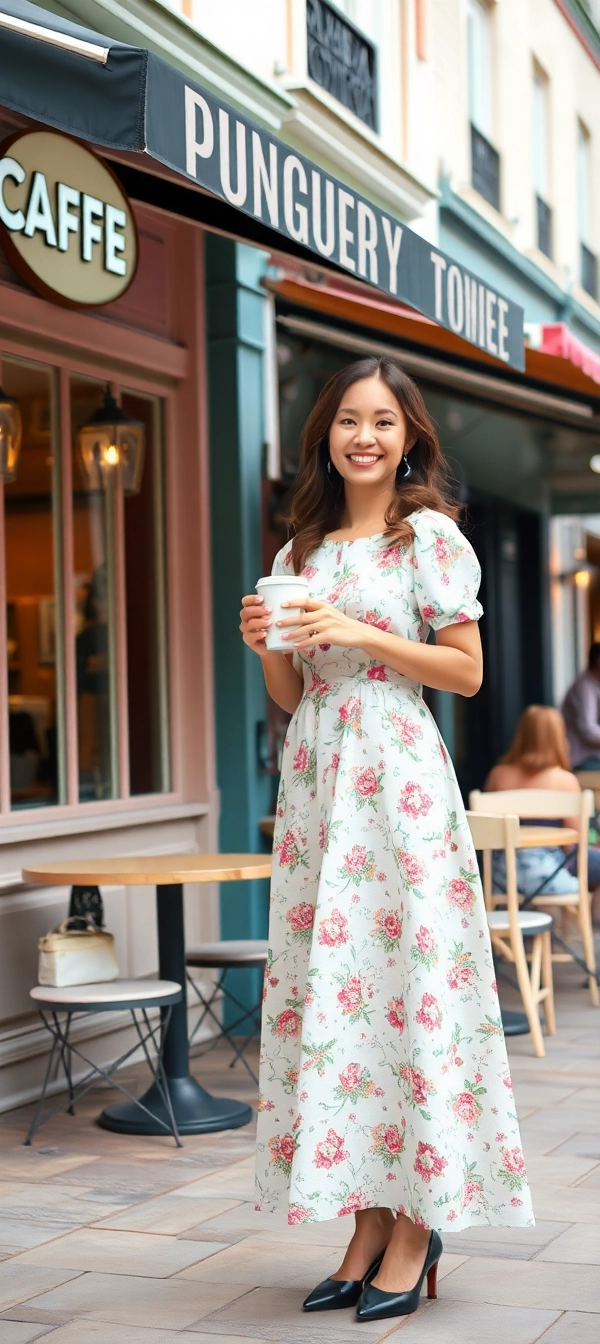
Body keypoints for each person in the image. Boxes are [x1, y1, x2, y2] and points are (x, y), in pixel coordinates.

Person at [240, 356, 533, 1325]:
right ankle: (363, 1222)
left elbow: (466, 673)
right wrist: (273, 647)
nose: (363, 436)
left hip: (399, 782)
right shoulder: (298, 554)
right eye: (346, 421)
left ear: (409, 438)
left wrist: (358, 634)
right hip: (319, 785)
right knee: (339, 998)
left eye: (383, 422)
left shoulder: (429, 540)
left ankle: (415, 1224)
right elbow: (292, 697)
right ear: (323, 434)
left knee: (405, 991)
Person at [485, 704, 600, 918]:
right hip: (548, 878)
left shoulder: (498, 775)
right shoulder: (566, 780)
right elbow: (574, 845)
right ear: (558, 737)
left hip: (501, 879)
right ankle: (591, 924)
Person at [561, 644, 600, 770]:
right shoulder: (584, 688)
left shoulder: (594, 685)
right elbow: (588, 729)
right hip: (582, 760)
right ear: (598, 661)